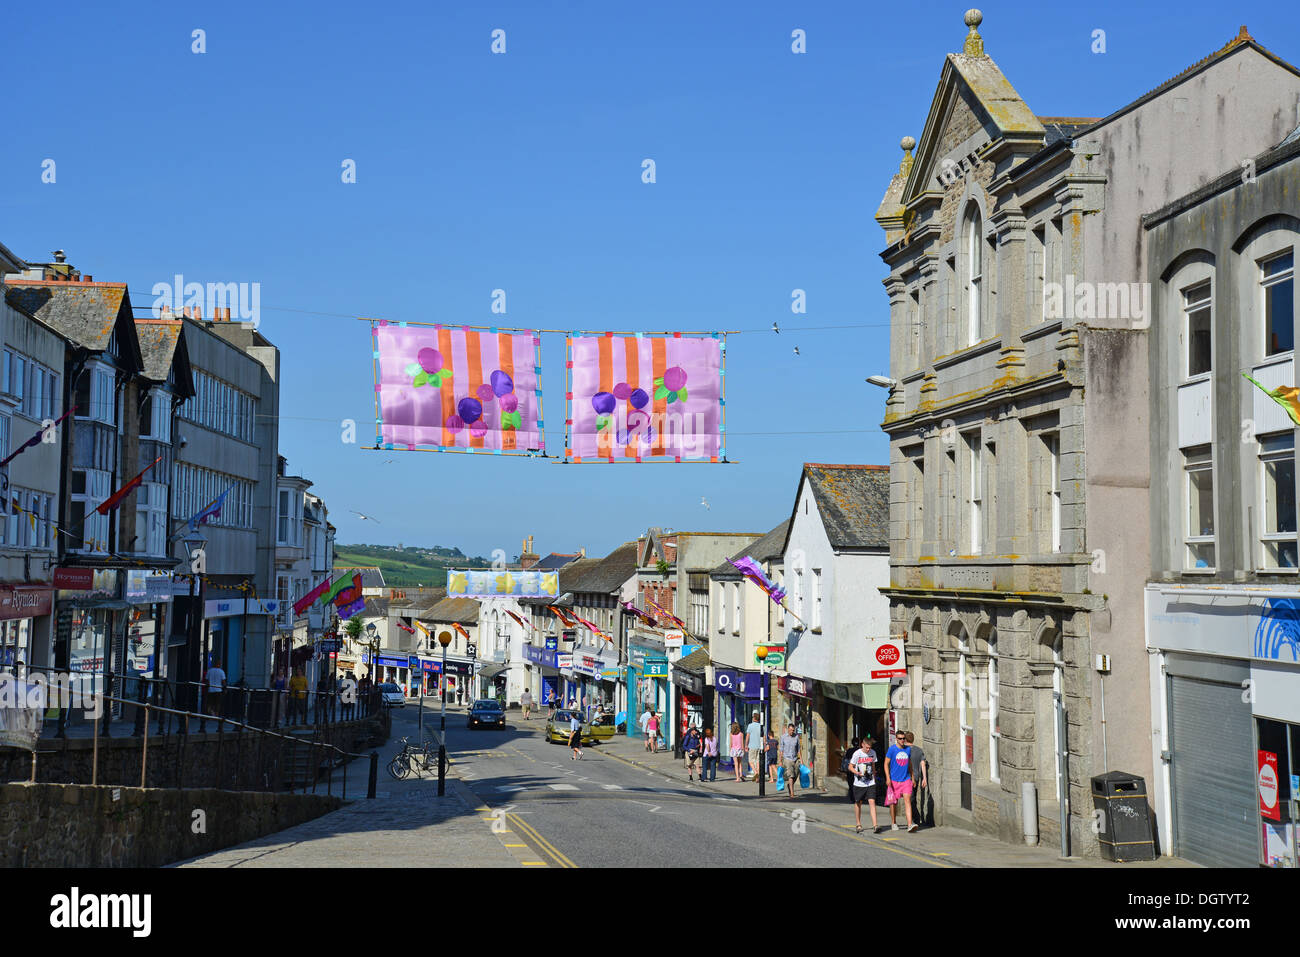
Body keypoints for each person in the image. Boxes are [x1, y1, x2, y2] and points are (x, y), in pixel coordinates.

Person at [885, 730, 916, 832]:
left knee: (907, 800)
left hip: (906, 779)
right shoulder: (892, 749)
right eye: (900, 739)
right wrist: (888, 778)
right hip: (894, 780)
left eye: (904, 738)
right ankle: (893, 822)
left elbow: (910, 764)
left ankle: (909, 824)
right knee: (894, 803)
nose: (902, 740)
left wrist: (912, 777)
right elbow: (886, 764)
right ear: (896, 739)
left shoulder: (908, 749)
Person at [850, 734, 880, 833]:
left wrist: (874, 777)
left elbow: (873, 765)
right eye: (866, 747)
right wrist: (856, 772)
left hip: (870, 782)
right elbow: (850, 767)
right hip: (859, 783)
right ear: (862, 744)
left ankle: (875, 825)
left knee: (872, 802)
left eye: (869, 748)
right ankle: (858, 824)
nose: (868, 750)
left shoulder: (873, 753)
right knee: (858, 803)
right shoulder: (857, 754)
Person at [906, 731, 929, 828]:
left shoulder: (904, 750)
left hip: (907, 777)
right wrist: (924, 778)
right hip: (916, 777)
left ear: (905, 740)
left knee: (910, 799)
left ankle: (916, 818)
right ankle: (914, 819)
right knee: (913, 798)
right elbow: (923, 764)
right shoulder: (919, 750)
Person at [778, 723, 801, 798]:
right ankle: (792, 793)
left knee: (796, 774)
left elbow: (798, 749)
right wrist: (780, 761)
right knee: (791, 775)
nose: (792, 732)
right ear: (788, 729)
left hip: (795, 758)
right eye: (790, 730)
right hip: (787, 758)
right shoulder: (783, 737)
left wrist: (802, 760)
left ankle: (789, 785)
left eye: (793, 730)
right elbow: (781, 750)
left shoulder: (796, 737)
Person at [745, 710, 764, 782]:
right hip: (759, 746)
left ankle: (755, 772)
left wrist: (746, 745)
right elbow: (764, 736)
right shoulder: (761, 726)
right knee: (757, 762)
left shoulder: (750, 726)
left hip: (752, 746)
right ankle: (757, 778)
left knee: (750, 761)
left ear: (753, 718)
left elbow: (747, 736)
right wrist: (765, 745)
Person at [842, 735, 860, 802]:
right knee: (858, 783)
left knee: (851, 783)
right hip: (858, 769)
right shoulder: (860, 750)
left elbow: (845, 760)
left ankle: (852, 797)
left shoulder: (849, 750)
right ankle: (858, 797)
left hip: (850, 770)